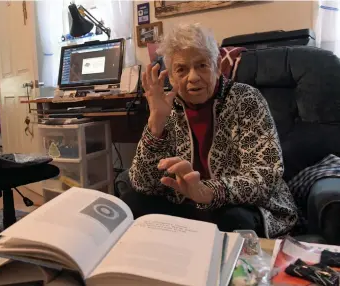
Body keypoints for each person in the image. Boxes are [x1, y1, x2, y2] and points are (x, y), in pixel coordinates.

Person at [124, 24, 298, 238]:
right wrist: (156, 123)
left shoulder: (247, 99)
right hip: (187, 206)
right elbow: (142, 183)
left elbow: (266, 174)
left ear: (216, 66)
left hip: (242, 206)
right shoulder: (167, 106)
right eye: (182, 69)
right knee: (132, 202)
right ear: (171, 77)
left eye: (202, 65)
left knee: (232, 221)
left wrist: (208, 191)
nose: (193, 77)